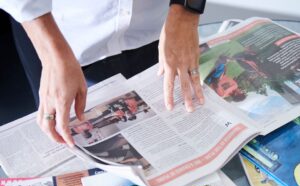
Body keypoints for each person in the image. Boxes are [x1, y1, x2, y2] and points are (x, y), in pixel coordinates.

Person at [1, 1, 206, 147]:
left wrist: (188, 11)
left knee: (170, 132)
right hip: (60, 35)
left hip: (159, 26)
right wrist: (52, 54)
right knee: (64, 136)